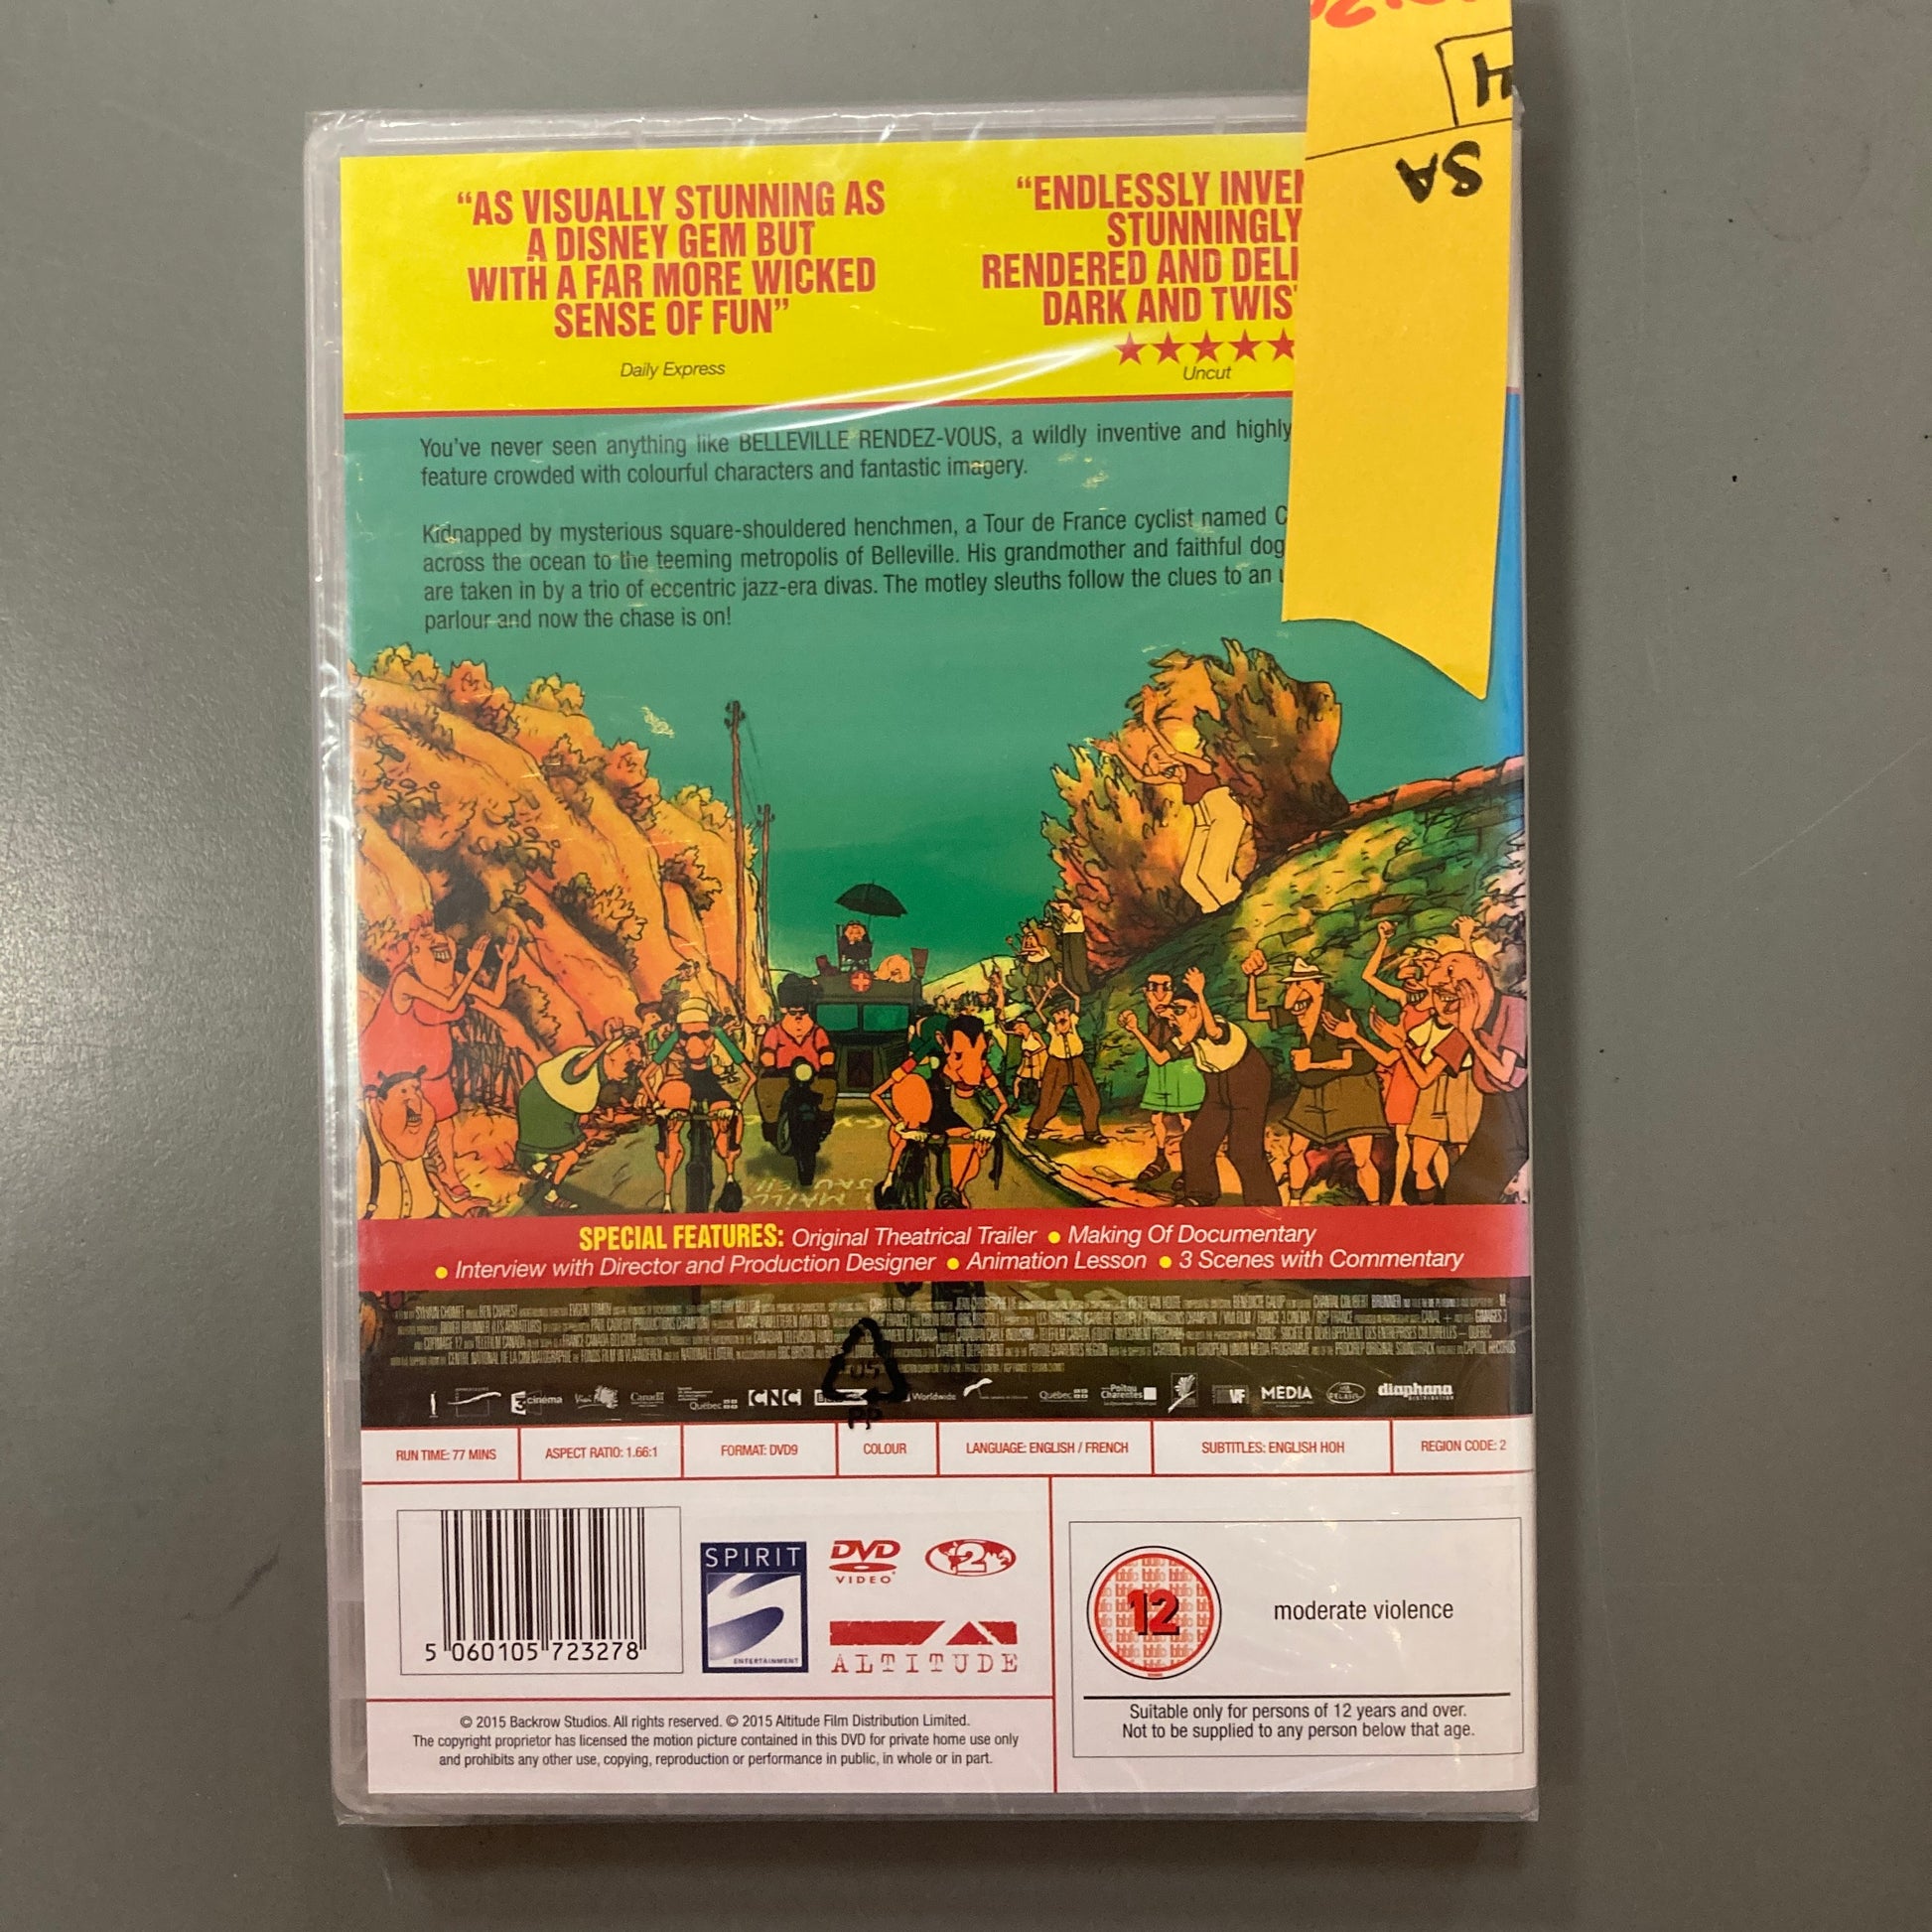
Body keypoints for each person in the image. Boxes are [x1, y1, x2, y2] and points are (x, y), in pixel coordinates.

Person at [359, 919, 517, 1210]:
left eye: (440, 935)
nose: (437, 940)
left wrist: (505, 962)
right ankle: (409, 1192)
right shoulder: (406, 980)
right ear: (415, 952)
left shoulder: (452, 978)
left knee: (446, 1129)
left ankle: (450, 1178)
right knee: (404, 1135)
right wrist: (472, 970)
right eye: (426, 937)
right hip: (398, 1075)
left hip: (434, 1072)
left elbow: (496, 999)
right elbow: (448, 1004)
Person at [1242, 950, 1388, 1203]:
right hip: (1315, 1086)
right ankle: (1294, 1203)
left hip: (1354, 1086)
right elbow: (1254, 1014)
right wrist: (1253, 978)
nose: (1296, 991)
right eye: (1292, 984)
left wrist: (1311, 1063)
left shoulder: (1337, 1012)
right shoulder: (1300, 1009)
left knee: (1361, 1157)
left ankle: (1376, 1209)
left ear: (1319, 986)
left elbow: (1349, 1062)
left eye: (1302, 984)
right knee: (1296, 1148)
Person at [1114, 698, 1251, 915]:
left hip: (1224, 816)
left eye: (1158, 756)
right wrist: (1118, 753)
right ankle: (1215, 914)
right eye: (1154, 760)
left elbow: (1173, 753)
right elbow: (1142, 777)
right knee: (1190, 880)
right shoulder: (1179, 779)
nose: (1158, 763)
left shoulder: (1201, 766)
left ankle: (1239, 909)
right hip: (1204, 823)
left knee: (1213, 874)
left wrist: (1149, 722)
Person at [872, 1013, 1009, 1206]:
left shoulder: (977, 1060)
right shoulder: (922, 1060)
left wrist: (991, 1127)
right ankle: (890, 1180)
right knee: (910, 1132)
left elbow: (1003, 1103)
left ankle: (956, 1192)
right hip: (917, 1111)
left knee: (966, 1145)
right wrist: (899, 1125)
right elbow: (876, 1095)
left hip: (944, 1114)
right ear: (944, 1044)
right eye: (958, 1055)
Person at [1173, 966, 1280, 1205]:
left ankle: (1265, 1205)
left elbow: (1214, 1032)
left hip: (1248, 1083)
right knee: (1194, 1144)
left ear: (1197, 1010)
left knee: (1244, 1152)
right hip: (1217, 1089)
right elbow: (1163, 1055)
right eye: (1173, 1012)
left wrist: (1200, 993)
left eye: (1180, 1010)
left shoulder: (1220, 1027)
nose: (1175, 1017)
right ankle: (1201, 1196)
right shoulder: (1187, 1037)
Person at [511, 1026, 646, 1208]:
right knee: (571, 1156)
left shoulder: (603, 1073)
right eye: (628, 1065)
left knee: (580, 1144)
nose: (627, 1072)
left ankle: (538, 1167)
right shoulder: (589, 1062)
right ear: (613, 1055)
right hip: (545, 1106)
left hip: (559, 1108)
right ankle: (551, 1196)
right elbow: (575, 1072)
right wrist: (607, 1042)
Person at [1360, 920, 1445, 1205]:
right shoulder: (1405, 999)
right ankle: (1398, 1195)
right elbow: (1369, 975)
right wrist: (1383, 940)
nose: (1410, 980)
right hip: (1403, 1074)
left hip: (1428, 1074)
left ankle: (1447, 1197)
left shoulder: (1440, 1003)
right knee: (1403, 1139)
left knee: (1433, 1142)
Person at [1438, 952, 1529, 1203]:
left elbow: (1504, 1074)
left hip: (1514, 1110)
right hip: (1492, 1111)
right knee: (1459, 1187)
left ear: (1479, 970)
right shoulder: (1471, 1013)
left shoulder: (1514, 1007)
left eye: (1451, 969)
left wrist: (1469, 1033)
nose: (1447, 979)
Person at [648, 998, 753, 1210]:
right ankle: (667, 1200)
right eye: (687, 1035)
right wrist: (658, 1105)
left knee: (726, 1134)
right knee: (669, 1137)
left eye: (703, 1034)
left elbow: (750, 1076)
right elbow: (646, 1075)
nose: (694, 1041)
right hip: (685, 1084)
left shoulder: (717, 1033)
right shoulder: (677, 1036)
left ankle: (730, 1178)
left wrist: (737, 1105)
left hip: (709, 1084)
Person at [356, 1068, 485, 1218]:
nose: (414, 1100)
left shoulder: (418, 1129)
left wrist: (452, 1205)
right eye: (404, 1092)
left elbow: (427, 1167)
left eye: (417, 1090)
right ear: (380, 1103)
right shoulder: (358, 1133)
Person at [1118, 968, 1205, 1186]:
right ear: (1145, 992)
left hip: (1182, 1067)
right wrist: (1129, 1022)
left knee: (1186, 1120)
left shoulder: (1182, 1016)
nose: (1159, 994)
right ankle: (1161, 1159)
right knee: (1157, 1118)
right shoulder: (1152, 1016)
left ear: (1173, 991)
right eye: (1153, 988)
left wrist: (1135, 1030)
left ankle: (1191, 1168)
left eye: (1165, 988)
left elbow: (1161, 1056)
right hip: (1159, 1070)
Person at [755, 972, 837, 1143]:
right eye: (793, 1013)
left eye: (802, 1012)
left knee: (828, 1087)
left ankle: (825, 1119)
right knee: (768, 1092)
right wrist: (769, 1061)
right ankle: (771, 1124)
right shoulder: (775, 1031)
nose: (798, 1017)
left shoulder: (816, 1031)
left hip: (812, 1074)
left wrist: (826, 1061)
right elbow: (768, 1050)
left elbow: (825, 1049)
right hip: (781, 1073)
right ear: (785, 1011)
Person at [1025, 996, 1103, 1145]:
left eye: (1065, 1012)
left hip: (1077, 1063)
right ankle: (1034, 1130)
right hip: (1056, 1065)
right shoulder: (1051, 1028)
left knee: (1091, 1100)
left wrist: (1061, 985)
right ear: (1054, 1017)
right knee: (1048, 1103)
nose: (1062, 1016)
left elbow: (1077, 999)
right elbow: (1038, 1009)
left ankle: (1092, 1132)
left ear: (1069, 1014)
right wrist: (1048, 990)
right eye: (1058, 1014)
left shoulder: (1073, 1022)